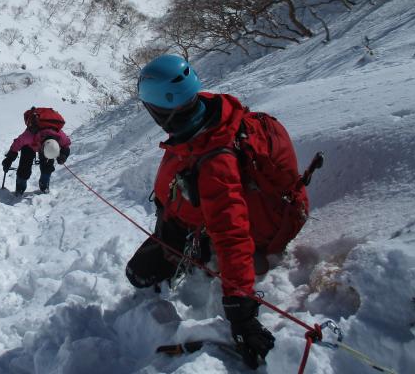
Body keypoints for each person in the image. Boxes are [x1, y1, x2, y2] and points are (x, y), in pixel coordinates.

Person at [126, 54, 309, 370]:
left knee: (138, 273)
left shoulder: (215, 160)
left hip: (221, 229)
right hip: (199, 217)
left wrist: (241, 313)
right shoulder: (209, 115)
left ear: (156, 109)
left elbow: (232, 232)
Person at [1, 111, 71, 195]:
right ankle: (20, 187)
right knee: (24, 167)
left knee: (48, 166)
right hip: (29, 146)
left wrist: (63, 155)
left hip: (48, 147)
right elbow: (17, 144)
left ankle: (44, 184)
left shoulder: (59, 136)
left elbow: (66, 145)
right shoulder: (29, 135)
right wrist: (9, 159)